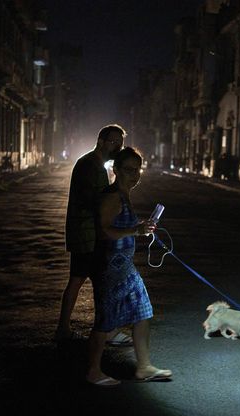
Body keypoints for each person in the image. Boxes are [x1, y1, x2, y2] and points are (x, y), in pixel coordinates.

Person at [86, 147, 172, 386]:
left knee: (143, 311)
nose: (134, 175)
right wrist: (135, 230)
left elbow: (121, 226)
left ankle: (143, 367)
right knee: (105, 321)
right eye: (128, 170)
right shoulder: (112, 196)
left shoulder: (123, 196)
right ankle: (93, 371)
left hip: (125, 268)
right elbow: (103, 232)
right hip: (109, 268)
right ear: (115, 170)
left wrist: (141, 226)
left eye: (138, 170)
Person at [56, 124, 132, 345]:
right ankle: (106, 331)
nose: (117, 146)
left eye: (121, 143)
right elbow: (96, 202)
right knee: (103, 283)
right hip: (88, 234)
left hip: (86, 233)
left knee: (80, 280)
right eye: (113, 142)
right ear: (100, 141)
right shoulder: (91, 165)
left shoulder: (94, 163)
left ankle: (64, 329)